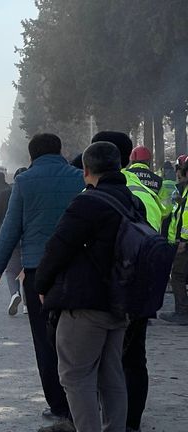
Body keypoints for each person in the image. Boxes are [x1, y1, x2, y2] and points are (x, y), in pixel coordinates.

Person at [0, 133, 82, 431]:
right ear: (60, 150)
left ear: (32, 156)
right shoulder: (79, 177)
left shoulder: (24, 181)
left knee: (45, 340)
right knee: (77, 337)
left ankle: (59, 404)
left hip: (38, 274)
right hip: (76, 269)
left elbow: (11, 227)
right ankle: (83, 401)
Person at [35, 141, 137, 432]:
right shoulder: (132, 200)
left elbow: (59, 246)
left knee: (76, 377)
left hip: (85, 303)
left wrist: (41, 284)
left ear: (86, 170)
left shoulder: (88, 202)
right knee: (111, 375)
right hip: (119, 301)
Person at [91, 131, 168, 432]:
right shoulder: (150, 191)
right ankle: (132, 422)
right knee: (135, 357)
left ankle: (108, 418)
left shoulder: (99, 191)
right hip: (142, 285)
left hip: (109, 287)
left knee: (102, 358)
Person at [0, 167, 28, 316]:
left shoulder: (5, 193)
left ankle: (14, 294)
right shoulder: (33, 193)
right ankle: (27, 303)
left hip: (10, 239)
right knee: (28, 271)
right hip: (29, 239)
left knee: (11, 271)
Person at [164, 160, 188, 326]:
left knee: (178, 276)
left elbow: (186, 219)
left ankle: (182, 311)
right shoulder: (184, 192)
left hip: (185, 243)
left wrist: (183, 240)